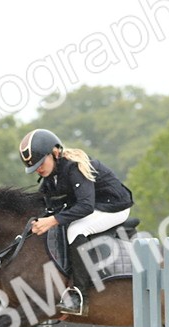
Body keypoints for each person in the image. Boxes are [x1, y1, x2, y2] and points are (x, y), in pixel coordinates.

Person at [19, 128, 133, 316]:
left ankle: (79, 297)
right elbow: (43, 203)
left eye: (41, 163)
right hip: (95, 205)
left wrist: (52, 220)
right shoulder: (51, 176)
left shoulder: (73, 167)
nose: (38, 169)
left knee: (75, 229)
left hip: (114, 207)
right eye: (34, 167)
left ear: (55, 152)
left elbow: (85, 206)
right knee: (60, 223)